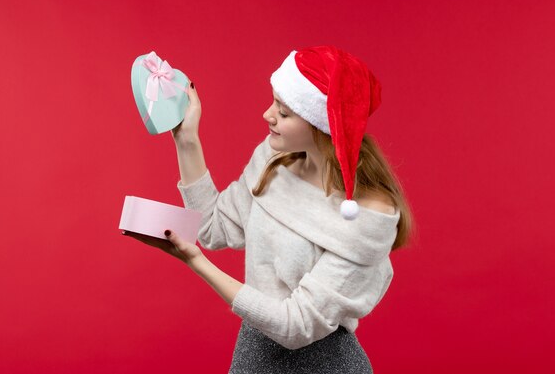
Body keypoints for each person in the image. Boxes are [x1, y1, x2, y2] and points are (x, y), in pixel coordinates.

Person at [126, 45, 413, 373]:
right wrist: (186, 140)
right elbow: (213, 227)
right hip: (254, 359)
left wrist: (196, 262)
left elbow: (296, 326)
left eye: (284, 111)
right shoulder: (274, 161)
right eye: (274, 102)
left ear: (320, 124)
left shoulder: (366, 218)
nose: (268, 115)